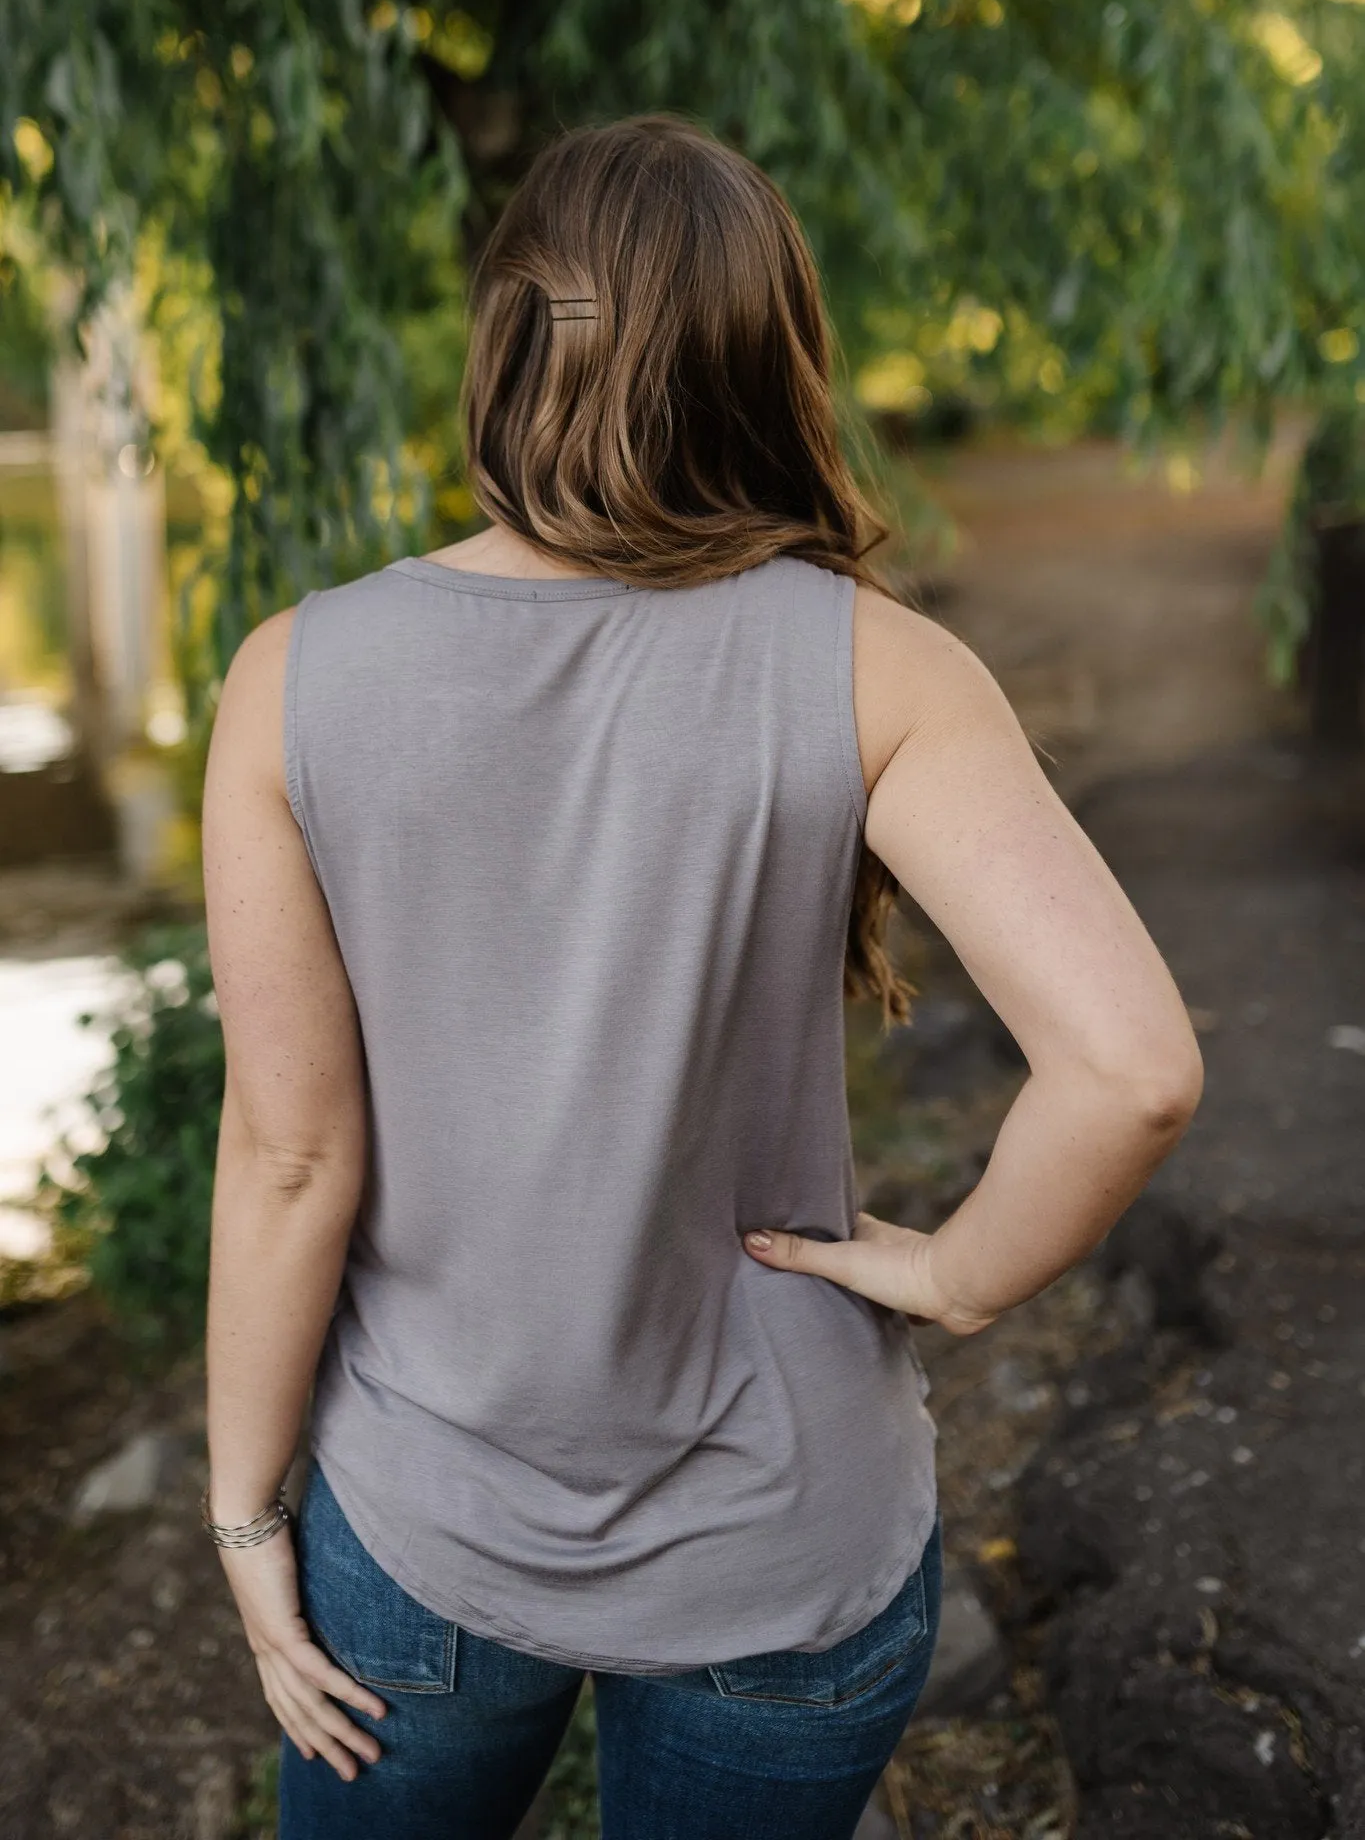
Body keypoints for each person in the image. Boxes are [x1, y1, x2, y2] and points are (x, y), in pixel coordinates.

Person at [201, 115, 1203, 1840]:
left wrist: (242, 1517)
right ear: (770, 360)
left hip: (427, 1527)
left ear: (507, 338)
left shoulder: (296, 680)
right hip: (786, 1537)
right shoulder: (883, 668)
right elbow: (1130, 1070)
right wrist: (960, 1275)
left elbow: (294, 1157)